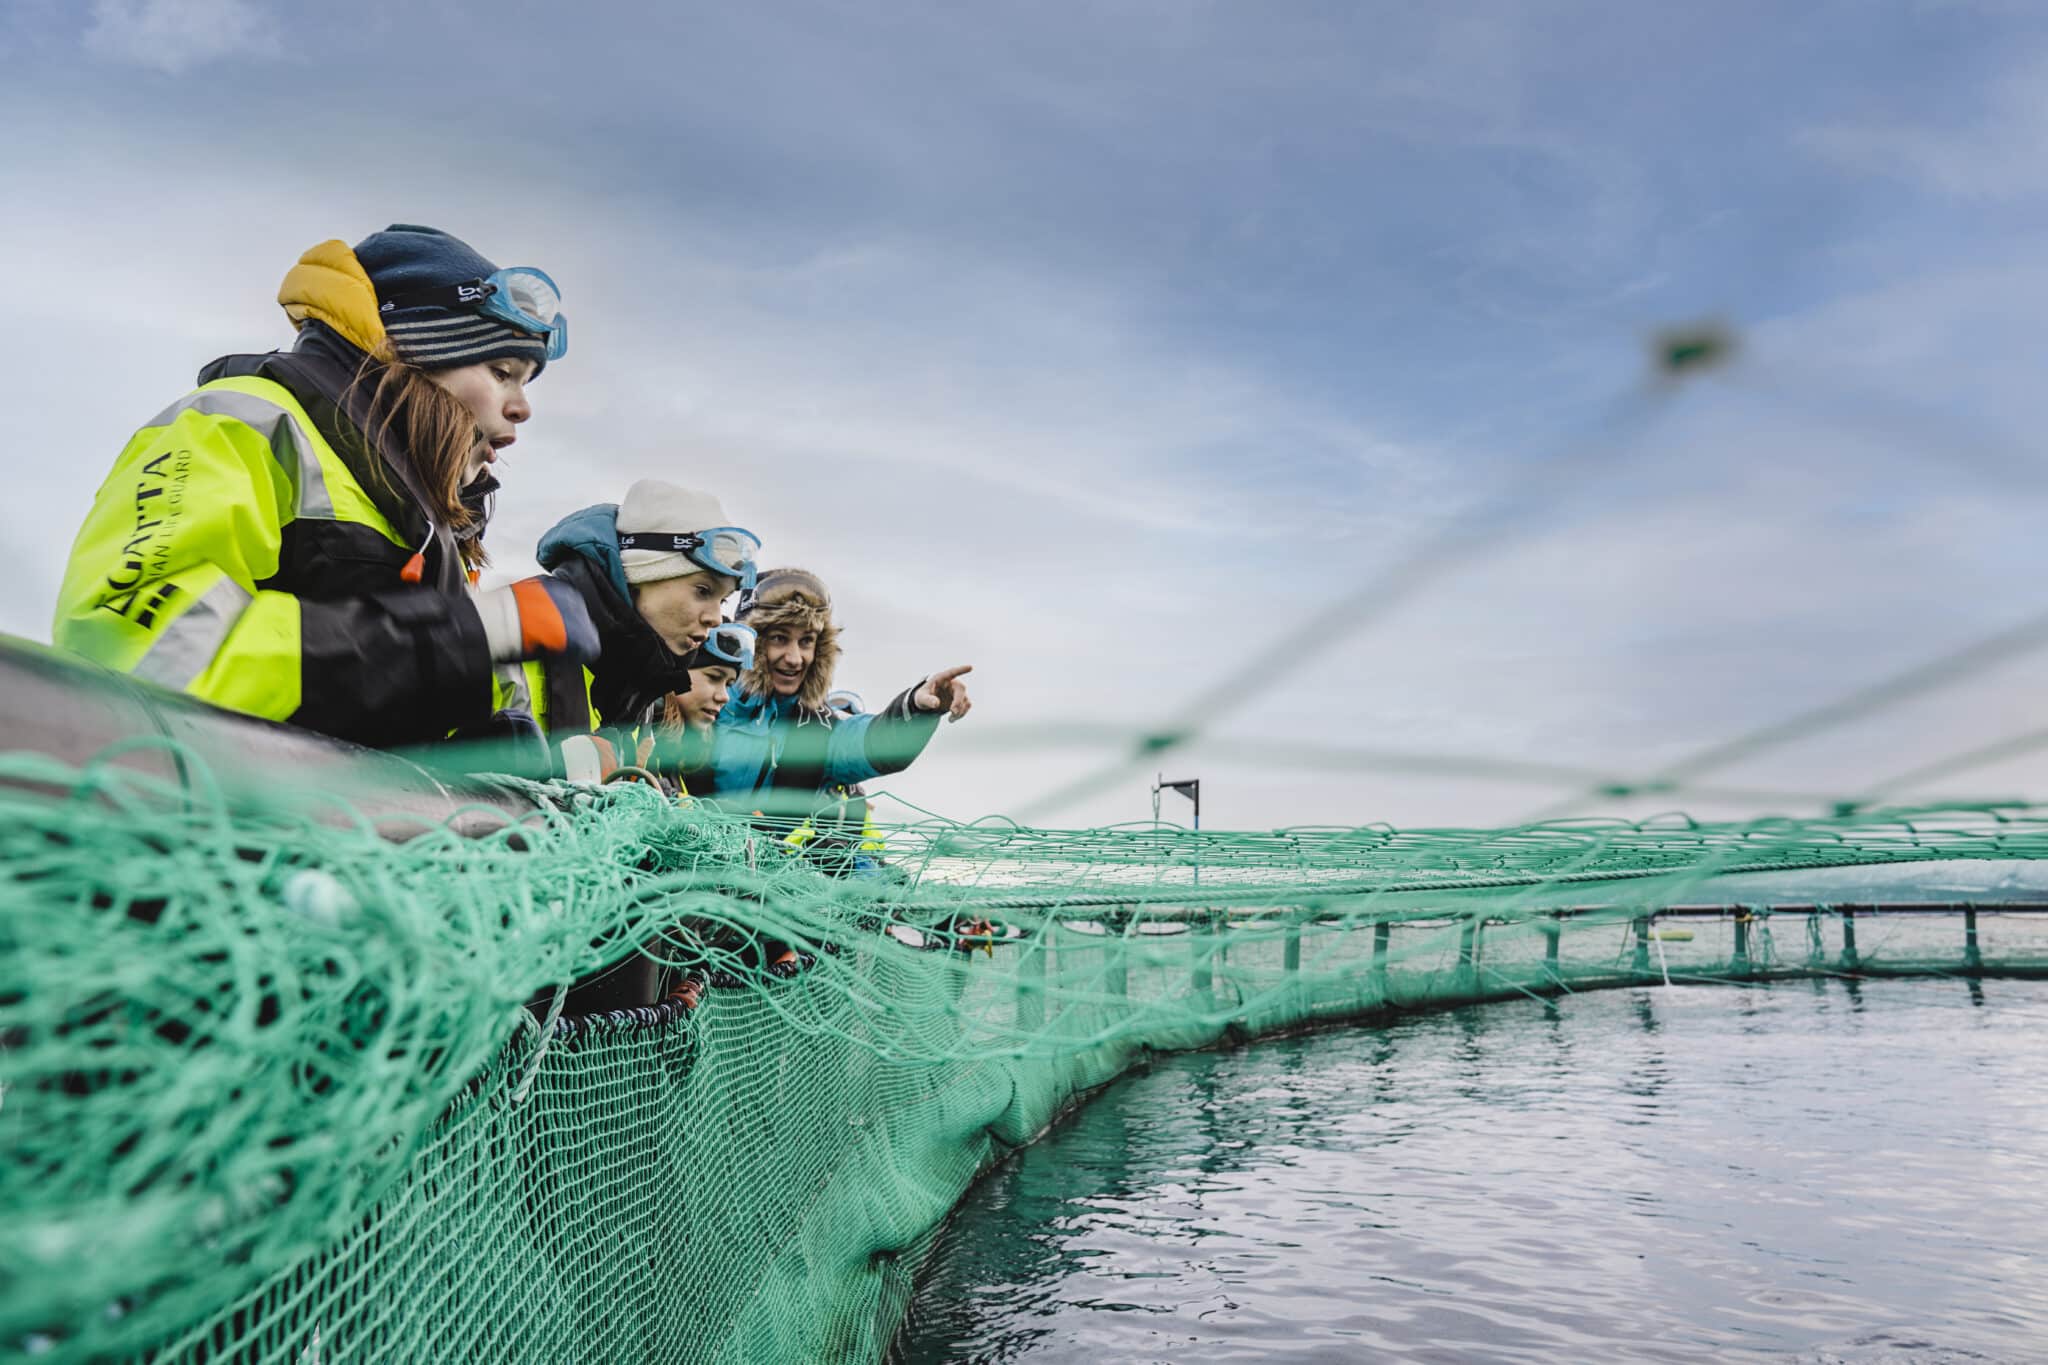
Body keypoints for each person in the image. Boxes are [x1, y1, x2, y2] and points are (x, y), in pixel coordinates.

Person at [52, 225, 595, 749]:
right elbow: (144, 651)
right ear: (414, 351)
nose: (522, 408)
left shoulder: (433, 524)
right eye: (501, 371)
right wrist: (453, 638)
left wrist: (485, 741)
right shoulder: (235, 423)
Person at [526, 480, 759, 782]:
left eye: (723, 600)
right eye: (703, 590)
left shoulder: (641, 692)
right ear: (639, 574)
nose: (716, 618)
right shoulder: (520, 632)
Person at [709, 567, 973, 817]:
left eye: (806, 641)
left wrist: (916, 707)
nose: (795, 658)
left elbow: (876, 745)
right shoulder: (706, 702)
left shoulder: (819, 728)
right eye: (779, 638)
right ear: (750, 641)